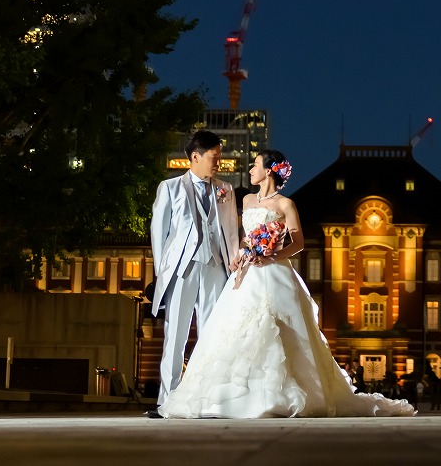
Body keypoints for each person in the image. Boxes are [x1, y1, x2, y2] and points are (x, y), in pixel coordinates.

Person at [159, 150, 415, 418]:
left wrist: (270, 255)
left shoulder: (285, 205)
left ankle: (280, 394)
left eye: (255, 165)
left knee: (282, 331)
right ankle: (234, 396)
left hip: (274, 271)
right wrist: (240, 256)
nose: (250, 170)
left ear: (269, 171)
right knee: (236, 330)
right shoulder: (246, 200)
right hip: (247, 274)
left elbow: (298, 242)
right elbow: (247, 239)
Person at [147, 130, 241, 418]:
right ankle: (168, 401)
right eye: (214, 157)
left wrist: (233, 265)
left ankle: (207, 399)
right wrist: (164, 271)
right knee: (175, 335)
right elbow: (158, 232)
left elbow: (231, 232)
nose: (219, 163)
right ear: (195, 156)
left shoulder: (226, 190)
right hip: (182, 270)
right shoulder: (170, 187)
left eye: (220, 157)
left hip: (216, 268)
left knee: (212, 336)